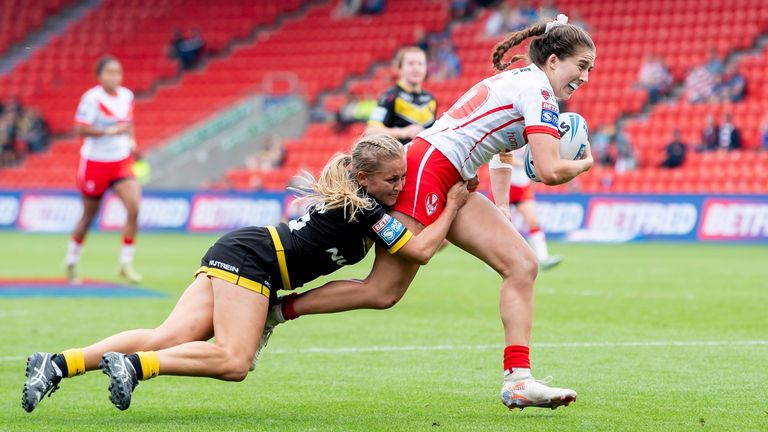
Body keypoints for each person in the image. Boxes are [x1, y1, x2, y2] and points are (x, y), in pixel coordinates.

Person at [263, 14, 594, 410]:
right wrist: (586, 162)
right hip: (429, 170)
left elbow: (504, 150)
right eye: (582, 66)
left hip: (450, 173)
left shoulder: (526, 81)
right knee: (383, 291)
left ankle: (518, 380)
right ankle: (276, 311)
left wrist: (503, 206)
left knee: (523, 265)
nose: (585, 77)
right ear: (554, 60)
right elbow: (549, 170)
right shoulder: (538, 91)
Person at [21, 135, 470, 413]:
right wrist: (452, 205)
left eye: (401, 179)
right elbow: (421, 251)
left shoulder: (366, 200)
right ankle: (137, 367)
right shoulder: (369, 207)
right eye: (391, 180)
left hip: (243, 249)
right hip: (255, 261)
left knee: (168, 336)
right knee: (234, 361)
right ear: (362, 177)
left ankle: (57, 364)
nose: (398, 187)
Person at [67, 56, 142, 284]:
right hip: (95, 163)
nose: (114, 77)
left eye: (117, 72)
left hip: (120, 161)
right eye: (109, 72)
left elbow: (128, 123)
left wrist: (132, 141)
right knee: (88, 217)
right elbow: (79, 128)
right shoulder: (91, 98)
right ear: (99, 76)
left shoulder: (127, 96)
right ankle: (71, 261)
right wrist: (109, 133)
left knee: (134, 207)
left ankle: (125, 263)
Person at [489, 147, 562, 270]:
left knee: (533, 221)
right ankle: (492, 259)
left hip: (523, 188)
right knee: (497, 224)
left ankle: (543, 258)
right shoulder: (511, 136)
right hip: (505, 185)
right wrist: (524, 164)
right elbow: (502, 157)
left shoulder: (531, 138)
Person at [366, 46, 436, 144]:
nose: (416, 68)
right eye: (411, 63)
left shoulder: (430, 99)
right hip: (399, 156)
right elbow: (371, 131)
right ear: (400, 68)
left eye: (420, 64)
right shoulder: (389, 96)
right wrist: (404, 132)